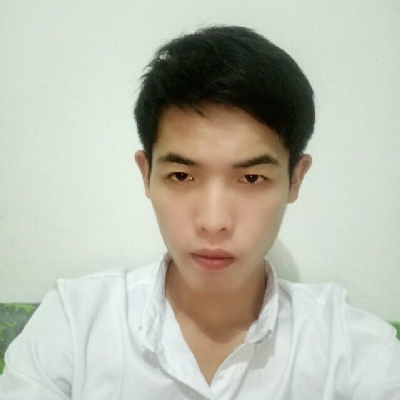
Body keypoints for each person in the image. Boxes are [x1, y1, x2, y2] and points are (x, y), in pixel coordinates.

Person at [0, 25, 399, 400]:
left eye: (252, 178)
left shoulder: (354, 351)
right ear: (146, 174)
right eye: (181, 175)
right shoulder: (73, 326)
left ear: (296, 179)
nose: (213, 222)